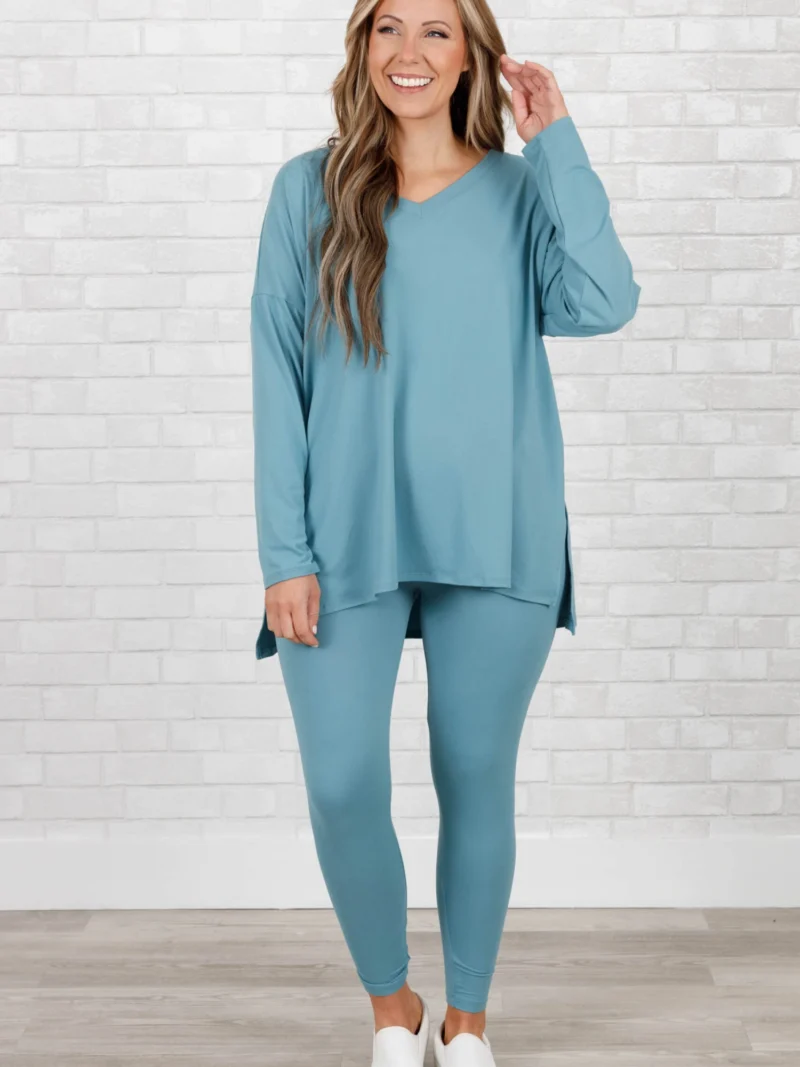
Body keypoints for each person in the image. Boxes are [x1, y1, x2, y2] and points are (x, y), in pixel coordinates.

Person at [250, 1, 641, 1063]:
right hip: (342, 535)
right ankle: (395, 1006)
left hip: (498, 528)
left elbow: (606, 299)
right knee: (341, 781)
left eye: (435, 30)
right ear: (362, 48)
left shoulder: (520, 192)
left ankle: (467, 1016)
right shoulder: (307, 190)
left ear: (470, 53)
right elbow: (276, 376)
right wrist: (283, 554)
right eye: (388, 28)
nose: (409, 52)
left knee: (474, 772)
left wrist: (556, 141)